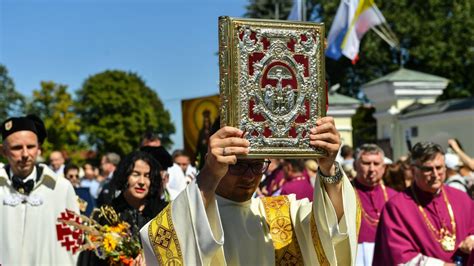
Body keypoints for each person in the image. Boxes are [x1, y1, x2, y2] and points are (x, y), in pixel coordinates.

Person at [140, 117, 359, 265]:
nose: (250, 175)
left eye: (257, 165)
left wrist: (328, 167)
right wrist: (210, 173)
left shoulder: (284, 213)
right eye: (237, 164)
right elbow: (163, 241)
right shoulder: (196, 214)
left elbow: (332, 231)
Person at [373, 142, 474, 265]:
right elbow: (398, 255)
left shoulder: (461, 198)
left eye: (439, 168)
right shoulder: (396, 207)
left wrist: (472, 239)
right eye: (428, 169)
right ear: (413, 170)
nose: (435, 175)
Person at [0, 115, 79, 264]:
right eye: (17, 148)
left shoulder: (61, 188)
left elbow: (72, 242)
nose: (25, 154)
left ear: (39, 149)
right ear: (3, 151)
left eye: (30, 147)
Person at [78, 150, 167, 265]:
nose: (141, 181)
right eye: (135, 174)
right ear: (125, 176)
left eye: (147, 176)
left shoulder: (161, 213)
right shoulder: (108, 215)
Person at [352, 144, 397, 266]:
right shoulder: (343, 194)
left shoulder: (394, 196)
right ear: (355, 166)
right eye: (366, 163)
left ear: (383, 168)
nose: (372, 169)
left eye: (376, 164)